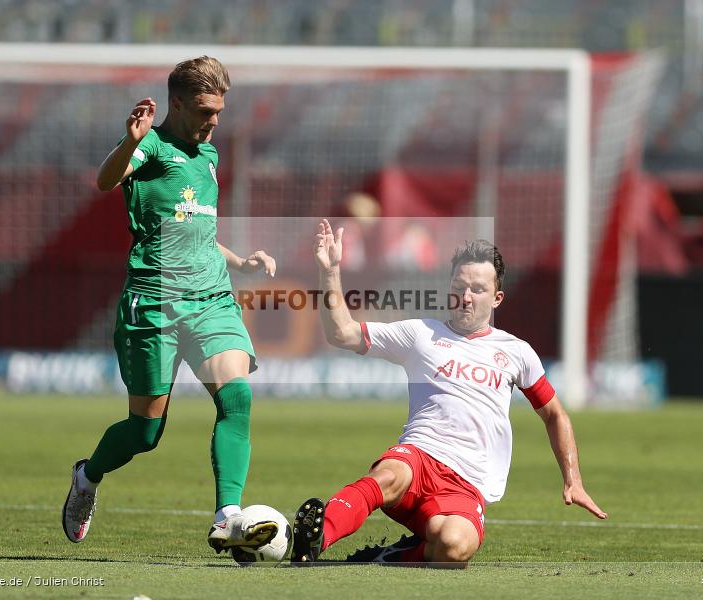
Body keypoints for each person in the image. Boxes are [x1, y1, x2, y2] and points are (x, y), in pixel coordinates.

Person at [291, 219, 607, 567]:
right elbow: (341, 333)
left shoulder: (517, 352)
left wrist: (573, 480)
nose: (466, 296)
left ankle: (387, 556)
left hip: (466, 483)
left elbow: (554, 414)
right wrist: (330, 271)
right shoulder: (420, 334)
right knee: (387, 475)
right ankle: (317, 538)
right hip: (418, 456)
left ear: (497, 297)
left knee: (455, 548)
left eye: (478, 289)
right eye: (459, 286)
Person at [62, 56, 279, 554]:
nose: (214, 121)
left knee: (237, 398)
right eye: (205, 110)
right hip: (154, 303)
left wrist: (239, 260)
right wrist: (132, 140)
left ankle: (228, 516)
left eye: (220, 110)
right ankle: (88, 476)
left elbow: (195, 227)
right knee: (144, 432)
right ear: (177, 104)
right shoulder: (151, 147)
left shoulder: (210, 157)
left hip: (210, 297)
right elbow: (104, 180)